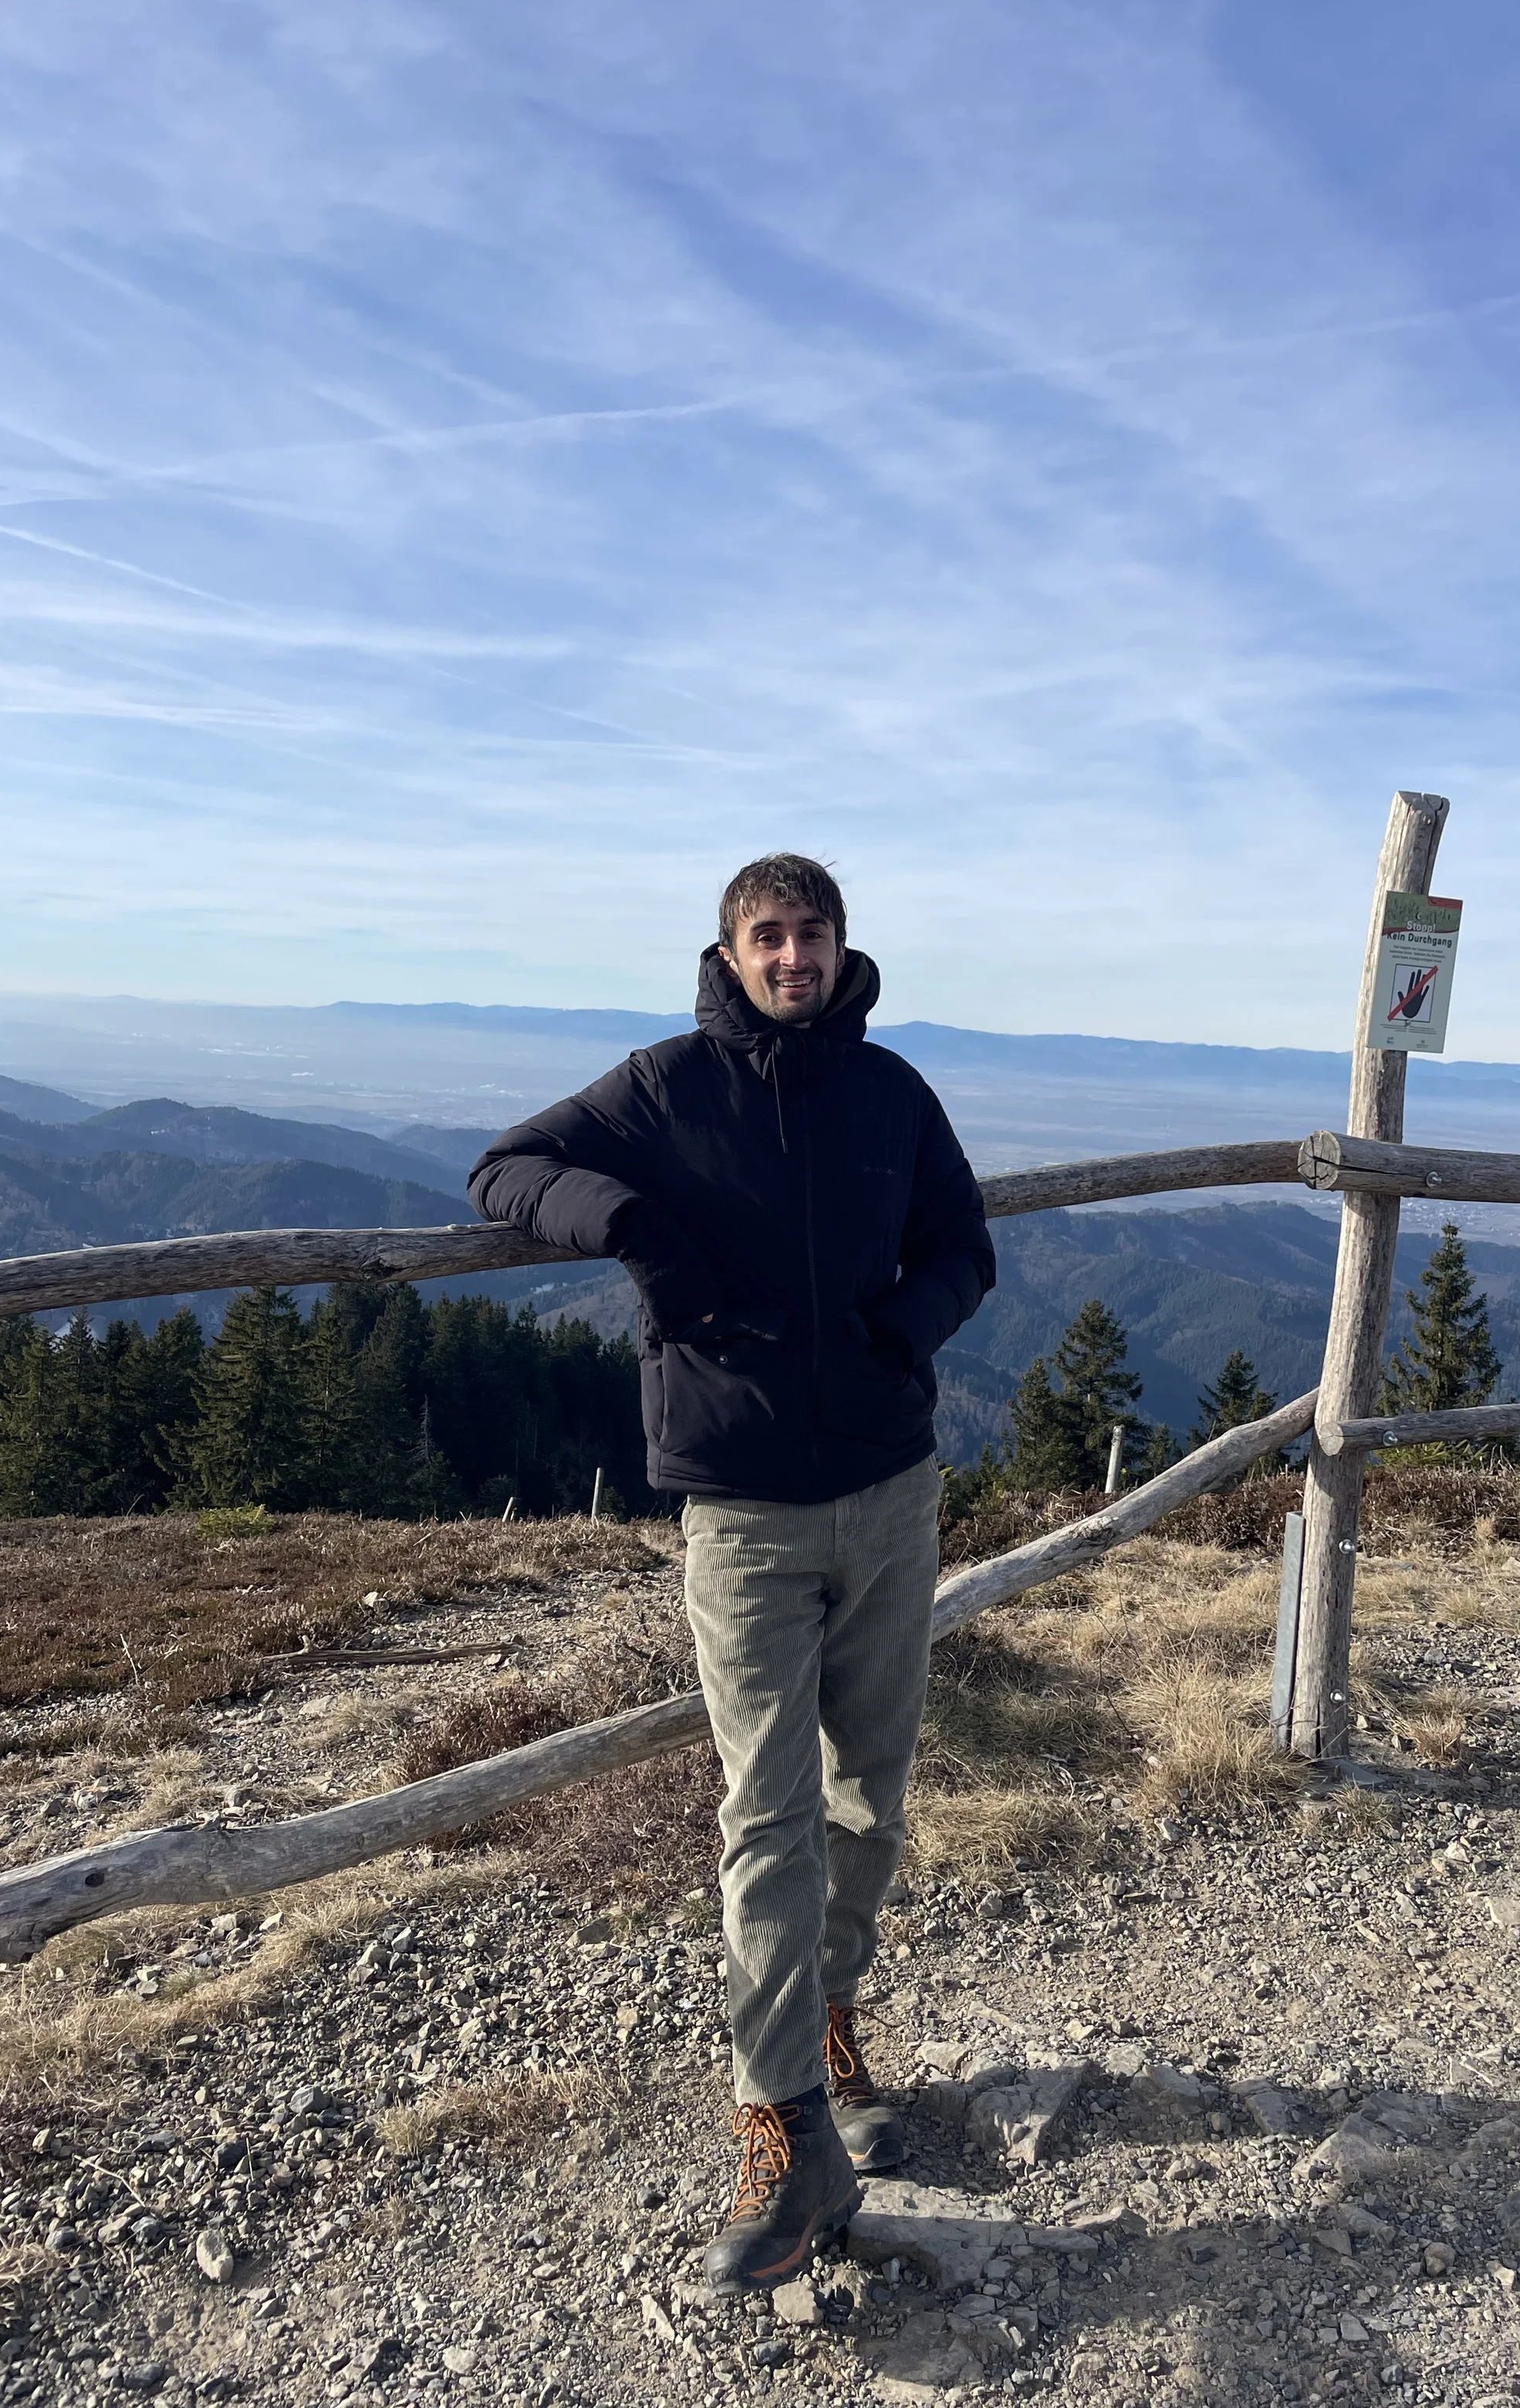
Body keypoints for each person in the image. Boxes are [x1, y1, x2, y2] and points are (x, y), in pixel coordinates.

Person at [468, 853, 995, 2294]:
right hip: (746, 1512)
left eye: (812, 935)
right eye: (769, 937)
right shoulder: (659, 1093)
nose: (793, 958)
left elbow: (966, 1246)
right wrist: (636, 1226)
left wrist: (905, 1331)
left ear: (840, 947)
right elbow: (504, 1169)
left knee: (868, 1794)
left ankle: (825, 2014)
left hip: (890, 1491)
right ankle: (785, 2125)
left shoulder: (893, 1095)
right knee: (767, 1813)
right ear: (730, 951)